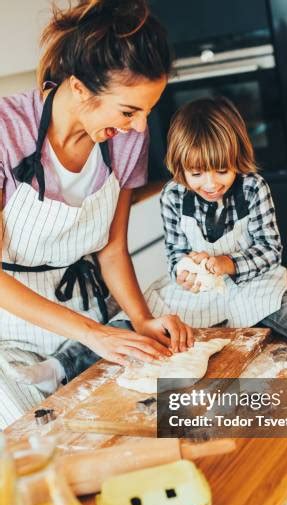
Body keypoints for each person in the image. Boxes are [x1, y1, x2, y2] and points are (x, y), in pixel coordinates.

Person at [0, 0, 193, 429]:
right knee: (35, 441)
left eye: (147, 111)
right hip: (10, 332)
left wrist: (141, 320)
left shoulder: (122, 140)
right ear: (79, 88)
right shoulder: (6, 132)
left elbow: (112, 248)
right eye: (129, 111)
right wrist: (92, 334)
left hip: (90, 315)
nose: (141, 127)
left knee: (127, 425)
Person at [144, 97, 287, 366]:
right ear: (179, 167)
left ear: (237, 158)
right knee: (153, 311)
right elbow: (175, 253)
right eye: (196, 174)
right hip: (199, 293)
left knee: (283, 306)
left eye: (221, 170)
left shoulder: (253, 188)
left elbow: (270, 250)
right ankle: (75, 359)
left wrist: (226, 263)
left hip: (250, 283)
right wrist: (184, 272)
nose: (211, 184)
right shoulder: (172, 196)